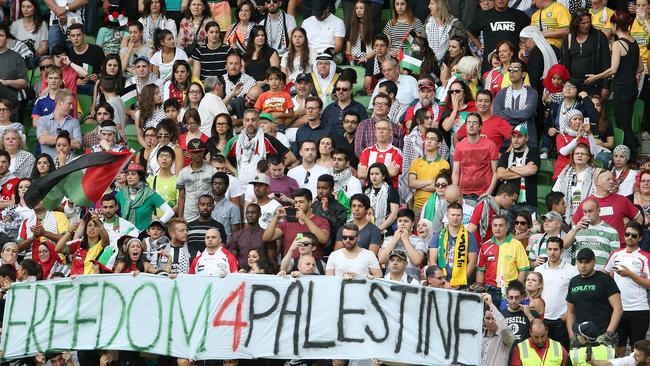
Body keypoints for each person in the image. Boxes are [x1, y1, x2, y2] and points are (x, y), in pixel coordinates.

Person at [585, 10, 641, 161]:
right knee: (627, 123)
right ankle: (632, 156)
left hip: (621, 89)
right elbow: (640, 68)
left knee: (623, 125)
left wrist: (595, 77)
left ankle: (631, 158)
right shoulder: (633, 41)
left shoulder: (618, 44)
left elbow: (613, 69)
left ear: (615, 25)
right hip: (632, 88)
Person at [604, 221, 650, 357]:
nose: (630, 237)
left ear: (640, 238)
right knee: (618, 351)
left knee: (638, 352)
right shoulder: (615, 254)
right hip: (617, 309)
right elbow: (604, 276)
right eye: (627, 234)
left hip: (639, 309)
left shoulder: (645, 257)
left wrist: (630, 274)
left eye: (634, 235)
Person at [566, 248, 623, 347]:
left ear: (594, 262)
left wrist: (609, 333)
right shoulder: (573, 281)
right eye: (580, 262)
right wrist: (572, 335)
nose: (583, 265)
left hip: (602, 334)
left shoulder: (605, 280)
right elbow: (570, 312)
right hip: (580, 335)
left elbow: (618, 309)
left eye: (587, 262)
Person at [572, 170, 643, 246]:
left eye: (612, 179)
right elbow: (574, 222)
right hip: (597, 249)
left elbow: (639, 218)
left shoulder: (622, 200)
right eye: (608, 179)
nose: (612, 181)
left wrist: (631, 235)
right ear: (597, 182)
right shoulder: (587, 202)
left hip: (620, 248)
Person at [535, 236, 579, 351]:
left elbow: (577, 295)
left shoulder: (572, 270)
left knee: (562, 353)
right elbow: (533, 293)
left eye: (555, 249)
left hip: (563, 319)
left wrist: (568, 314)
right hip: (543, 319)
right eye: (549, 249)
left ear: (562, 251)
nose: (552, 252)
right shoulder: (539, 270)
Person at [224, 109, 289, 186]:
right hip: (239, 186)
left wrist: (274, 171)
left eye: (253, 120)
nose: (250, 123)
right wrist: (235, 171)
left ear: (258, 122)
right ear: (243, 123)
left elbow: (290, 158)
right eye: (247, 120)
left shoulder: (268, 140)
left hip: (263, 186)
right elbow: (222, 158)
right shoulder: (235, 141)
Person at [476, 214, 529, 305]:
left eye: (501, 225)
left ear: (507, 227)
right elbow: (480, 270)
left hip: (509, 291)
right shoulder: (485, 245)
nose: (497, 228)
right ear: (491, 227)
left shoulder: (517, 244)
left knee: (506, 318)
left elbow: (523, 270)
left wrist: (515, 289)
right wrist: (480, 290)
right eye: (495, 225)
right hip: (489, 289)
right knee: (489, 318)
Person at [263, 188, 330, 260]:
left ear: (310, 202)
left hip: (312, 267)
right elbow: (266, 238)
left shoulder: (321, 221)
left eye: (301, 202)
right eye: (296, 202)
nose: (297, 205)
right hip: (290, 267)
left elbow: (323, 239)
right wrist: (276, 217)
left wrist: (306, 219)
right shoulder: (287, 222)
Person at [561, 9, 611, 97]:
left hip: (594, 84)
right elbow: (563, 62)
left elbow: (606, 62)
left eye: (588, 22)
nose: (587, 25)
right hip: (573, 85)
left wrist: (606, 86)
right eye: (583, 23)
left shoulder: (599, 36)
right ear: (576, 24)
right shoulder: (568, 37)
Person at [467, 0, 529, 71]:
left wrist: (523, 47)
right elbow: (470, 31)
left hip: (513, 63)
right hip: (490, 64)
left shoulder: (519, 15)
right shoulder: (484, 15)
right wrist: (479, 45)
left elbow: (530, 31)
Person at [428, 202, 478, 287]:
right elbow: (432, 260)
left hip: (463, 283)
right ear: (447, 216)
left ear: (462, 216)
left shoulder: (469, 236)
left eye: (458, 215)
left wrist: (458, 283)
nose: (455, 218)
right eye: (453, 215)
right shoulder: (438, 235)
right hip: (441, 283)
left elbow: (472, 262)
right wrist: (443, 282)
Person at [452, 112, 499, 201]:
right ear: (465, 126)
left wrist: (488, 193)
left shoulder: (490, 145)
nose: (471, 125)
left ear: (480, 126)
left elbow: (495, 172)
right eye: (469, 123)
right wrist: (456, 193)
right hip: (463, 194)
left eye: (475, 123)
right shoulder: (459, 146)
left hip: (483, 194)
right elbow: (455, 173)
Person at [493, 58, 539, 148]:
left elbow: (526, 113)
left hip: (528, 142)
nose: (511, 72)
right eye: (510, 69)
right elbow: (497, 115)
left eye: (515, 70)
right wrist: (520, 116)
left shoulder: (532, 93)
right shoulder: (501, 93)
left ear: (523, 74)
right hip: (505, 142)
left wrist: (505, 112)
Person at [115, 163, 174, 231]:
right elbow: (111, 212)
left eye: (133, 174)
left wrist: (156, 226)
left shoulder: (150, 194)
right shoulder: (121, 194)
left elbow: (170, 212)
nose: (129, 177)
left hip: (143, 236)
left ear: (140, 176)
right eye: (128, 174)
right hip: (124, 236)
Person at [408, 127, 450, 217]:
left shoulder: (444, 164)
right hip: (417, 206)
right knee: (417, 231)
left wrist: (419, 185)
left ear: (439, 144)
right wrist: (431, 181)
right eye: (427, 138)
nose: (429, 141)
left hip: (436, 206)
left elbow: (440, 186)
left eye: (432, 139)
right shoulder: (416, 162)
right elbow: (411, 183)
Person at [496, 124, 539, 212]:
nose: (515, 140)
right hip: (507, 203)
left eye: (519, 137)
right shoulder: (505, 156)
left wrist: (511, 168)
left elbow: (531, 170)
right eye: (513, 137)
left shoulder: (533, 154)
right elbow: (500, 174)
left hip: (528, 203)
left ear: (526, 138)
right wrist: (524, 170)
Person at [569, 199, 620, 271]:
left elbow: (615, 258)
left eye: (590, 211)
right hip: (579, 275)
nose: (587, 214)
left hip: (600, 276)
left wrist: (606, 276)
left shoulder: (611, 231)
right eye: (585, 211)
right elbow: (563, 245)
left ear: (598, 211)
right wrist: (576, 228)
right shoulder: (577, 228)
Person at [378, 208, 427, 281]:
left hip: (412, 282)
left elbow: (417, 261)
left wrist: (405, 240)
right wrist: (395, 240)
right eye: (399, 221)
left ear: (412, 223)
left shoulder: (418, 240)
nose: (402, 224)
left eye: (406, 221)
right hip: (390, 281)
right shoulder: (389, 239)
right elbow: (381, 259)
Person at [176, 139, 216, 221]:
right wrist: (180, 218)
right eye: (194, 152)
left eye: (200, 151)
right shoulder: (183, 173)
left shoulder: (212, 170)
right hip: (189, 214)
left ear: (204, 152)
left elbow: (216, 194)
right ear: (189, 153)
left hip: (208, 213)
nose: (198, 155)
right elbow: (181, 197)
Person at [354, 93, 405, 157]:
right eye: (377, 104)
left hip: (390, 164)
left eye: (383, 104)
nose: (379, 106)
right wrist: (372, 160)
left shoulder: (397, 128)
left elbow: (400, 149)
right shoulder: (363, 125)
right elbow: (358, 149)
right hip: (368, 164)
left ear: (389, 108)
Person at [36, 89, 82, 160]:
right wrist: (69, 138)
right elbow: (43, 140)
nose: (72, 107)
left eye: (72, 104)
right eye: (69, 103)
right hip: (49, 164)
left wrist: (50, 137)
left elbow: (78, 144)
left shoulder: (74, 122)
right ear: (60, 102)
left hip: (69, 164)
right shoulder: (43, 120)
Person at [358, 118, 403, 188]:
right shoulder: (367, 151)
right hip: (369, 190)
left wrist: (370, 170)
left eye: (384, 129)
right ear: (375, 133)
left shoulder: (396, 152)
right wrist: (386, 170)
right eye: (379, 129)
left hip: (389, 191)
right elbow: (361, 174)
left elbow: (393, 172)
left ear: (391, 132)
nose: (381, 131)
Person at [228, 203, 270, 270]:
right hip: (241, 274)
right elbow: (233, 259)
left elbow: (272, 260)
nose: (250, 215)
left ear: (260, 215)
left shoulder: (266, 235)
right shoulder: (237, 235)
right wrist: (239, 270)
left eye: (253, 213)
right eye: (248, 213)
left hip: (261, 274)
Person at [310, 174, 346, 252]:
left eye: (324, 188)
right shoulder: (314, 205)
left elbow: (339, 229)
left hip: (330, 249)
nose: (320, 191)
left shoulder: (340, 208)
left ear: (332, 190)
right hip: (313, 247)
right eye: (318, 188)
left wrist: (326, 211)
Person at [186, 194, 227, 260]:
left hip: (211, 262)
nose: (205, 207)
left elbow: (222, 247)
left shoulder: (219, 226)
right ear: (197, 206)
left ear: (213, 207)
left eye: (209, 205)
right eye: (202, 204)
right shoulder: (189, 226)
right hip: (192, 262)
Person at [481, 292, 516, 365]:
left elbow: (504, 327)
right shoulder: (479, 338)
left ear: (497, 317)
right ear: (483, 319)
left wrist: (491, 305)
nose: (491, 322)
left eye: (493, 318)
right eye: (487, 318)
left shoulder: (504, 338)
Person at [330, 148, 362, 218]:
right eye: (334, 159)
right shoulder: (327, 178)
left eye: (340, 160)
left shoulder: (354, 182)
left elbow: (355, 204)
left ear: (347, 163)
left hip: (347, 220)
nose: (336, 162)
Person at [210, 172, 242, 239]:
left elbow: (235, 233)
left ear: (226, 186)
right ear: (211, 185)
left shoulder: (233, 208)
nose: (217, 186)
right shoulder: (206, 206)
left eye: (220, 184)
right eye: (215, 183)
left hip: (226, 246)